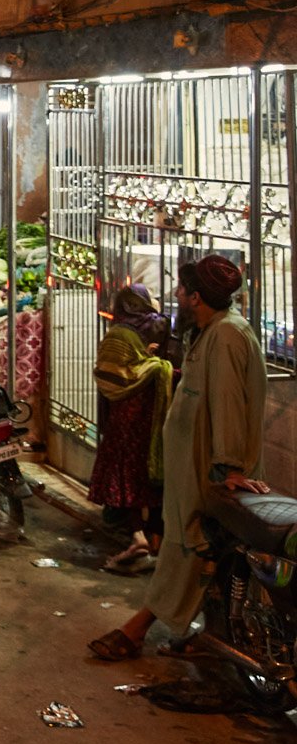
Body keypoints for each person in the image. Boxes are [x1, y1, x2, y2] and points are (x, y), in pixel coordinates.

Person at [90, 255, 269, 662]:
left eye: (183, 292)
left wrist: (231, 469)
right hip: (196, 471)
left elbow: (227, 405)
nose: (176, 297)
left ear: (198, 298)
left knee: (188, 552)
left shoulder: (226, 337)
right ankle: (213, 637)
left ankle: (137, 630)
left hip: (211, 474)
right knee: (204, 559)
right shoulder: (212, 332)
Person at [89, 285, 173, 574]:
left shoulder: (118, 333)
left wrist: (142, 367)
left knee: (126, 475)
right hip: (156, 412)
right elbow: (167, 364)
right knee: (150, 472)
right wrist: (154, 366)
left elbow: (107, 374)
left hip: (127, 414)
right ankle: (154, 541)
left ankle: (138, 537)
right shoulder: (161, 325)